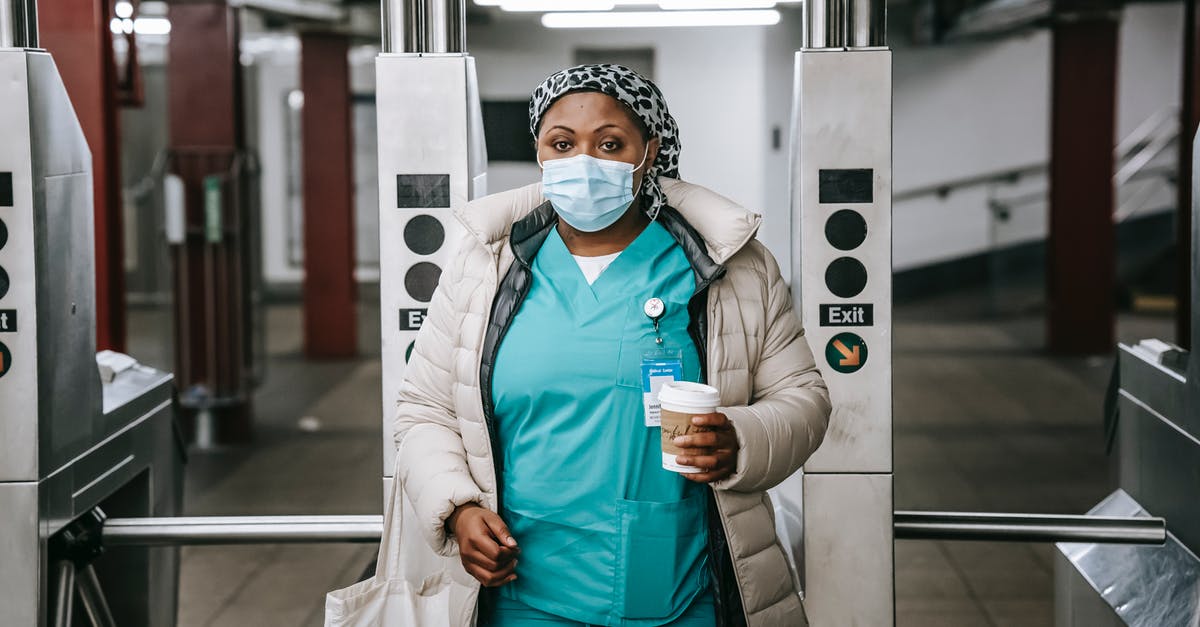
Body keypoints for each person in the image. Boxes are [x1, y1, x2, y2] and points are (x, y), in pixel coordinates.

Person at [392, 64, 831, 627]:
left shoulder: (730, 266)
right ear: (540, 153)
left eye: (609, 143)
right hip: (522, 595)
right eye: (562, 143)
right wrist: (456, 509)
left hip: (688, 590)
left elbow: (804, 397)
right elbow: (424, 409)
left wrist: (741, 439)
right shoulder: (484, 266)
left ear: (648, 151)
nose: (584, 161)